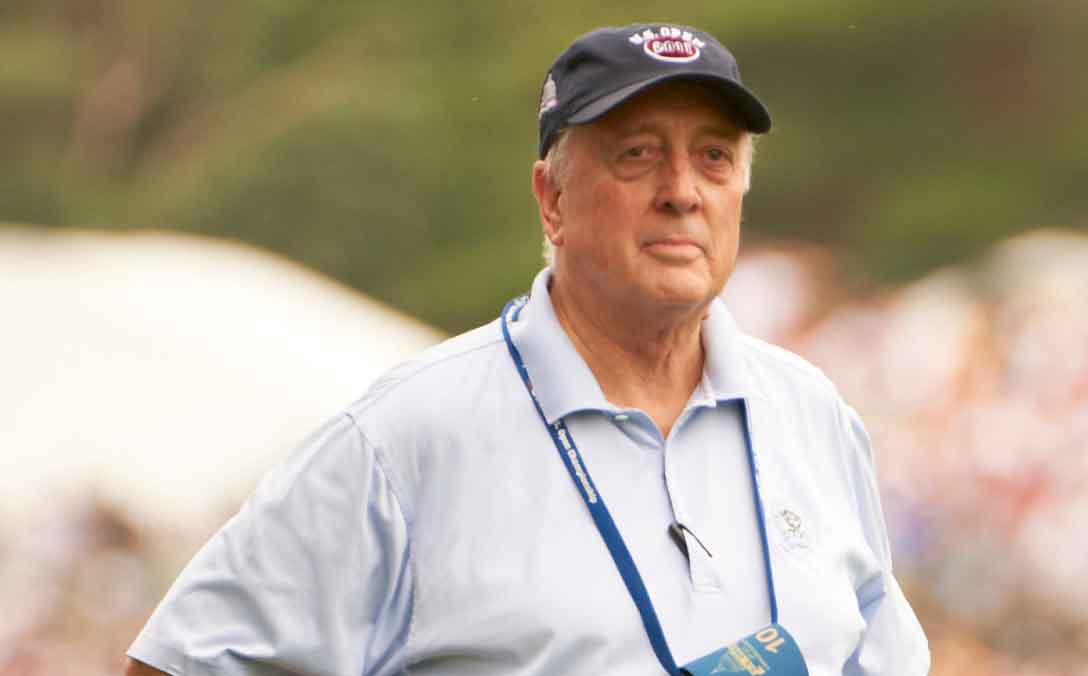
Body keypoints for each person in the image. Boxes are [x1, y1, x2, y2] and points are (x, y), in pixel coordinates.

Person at [124, 22, 929, 676]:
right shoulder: (404, 438)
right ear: (552, 199)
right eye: (637, 153)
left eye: (713, 156)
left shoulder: (810, 413)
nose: (682, 189)